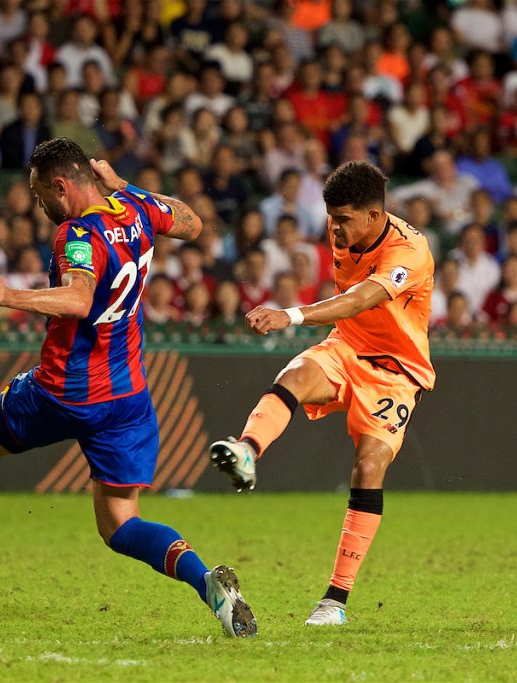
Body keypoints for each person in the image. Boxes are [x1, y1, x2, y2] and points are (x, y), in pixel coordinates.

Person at [0, 137, 257, 638]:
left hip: (65, 390)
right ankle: (206, 583)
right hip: (127, 398)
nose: (38, 203)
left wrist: (12, 295)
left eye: (40, 192)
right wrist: (126, 185)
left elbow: (80, 298)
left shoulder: (76, 232)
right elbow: (191, 224)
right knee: (120, 524)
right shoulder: (135, 207)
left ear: (62, 186)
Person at [208, 161, 435, 626]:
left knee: (369, 466)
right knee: (295, 376)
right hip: (346, 345)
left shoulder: (409, 253)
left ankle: (335, 601)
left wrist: (289, 316)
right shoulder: (344, 234)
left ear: (373, 216)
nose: (334, 228)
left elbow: (360, 300)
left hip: (396, 371)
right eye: (332, 218)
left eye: (344, 219)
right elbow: (348, 313)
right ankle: (247, 452)